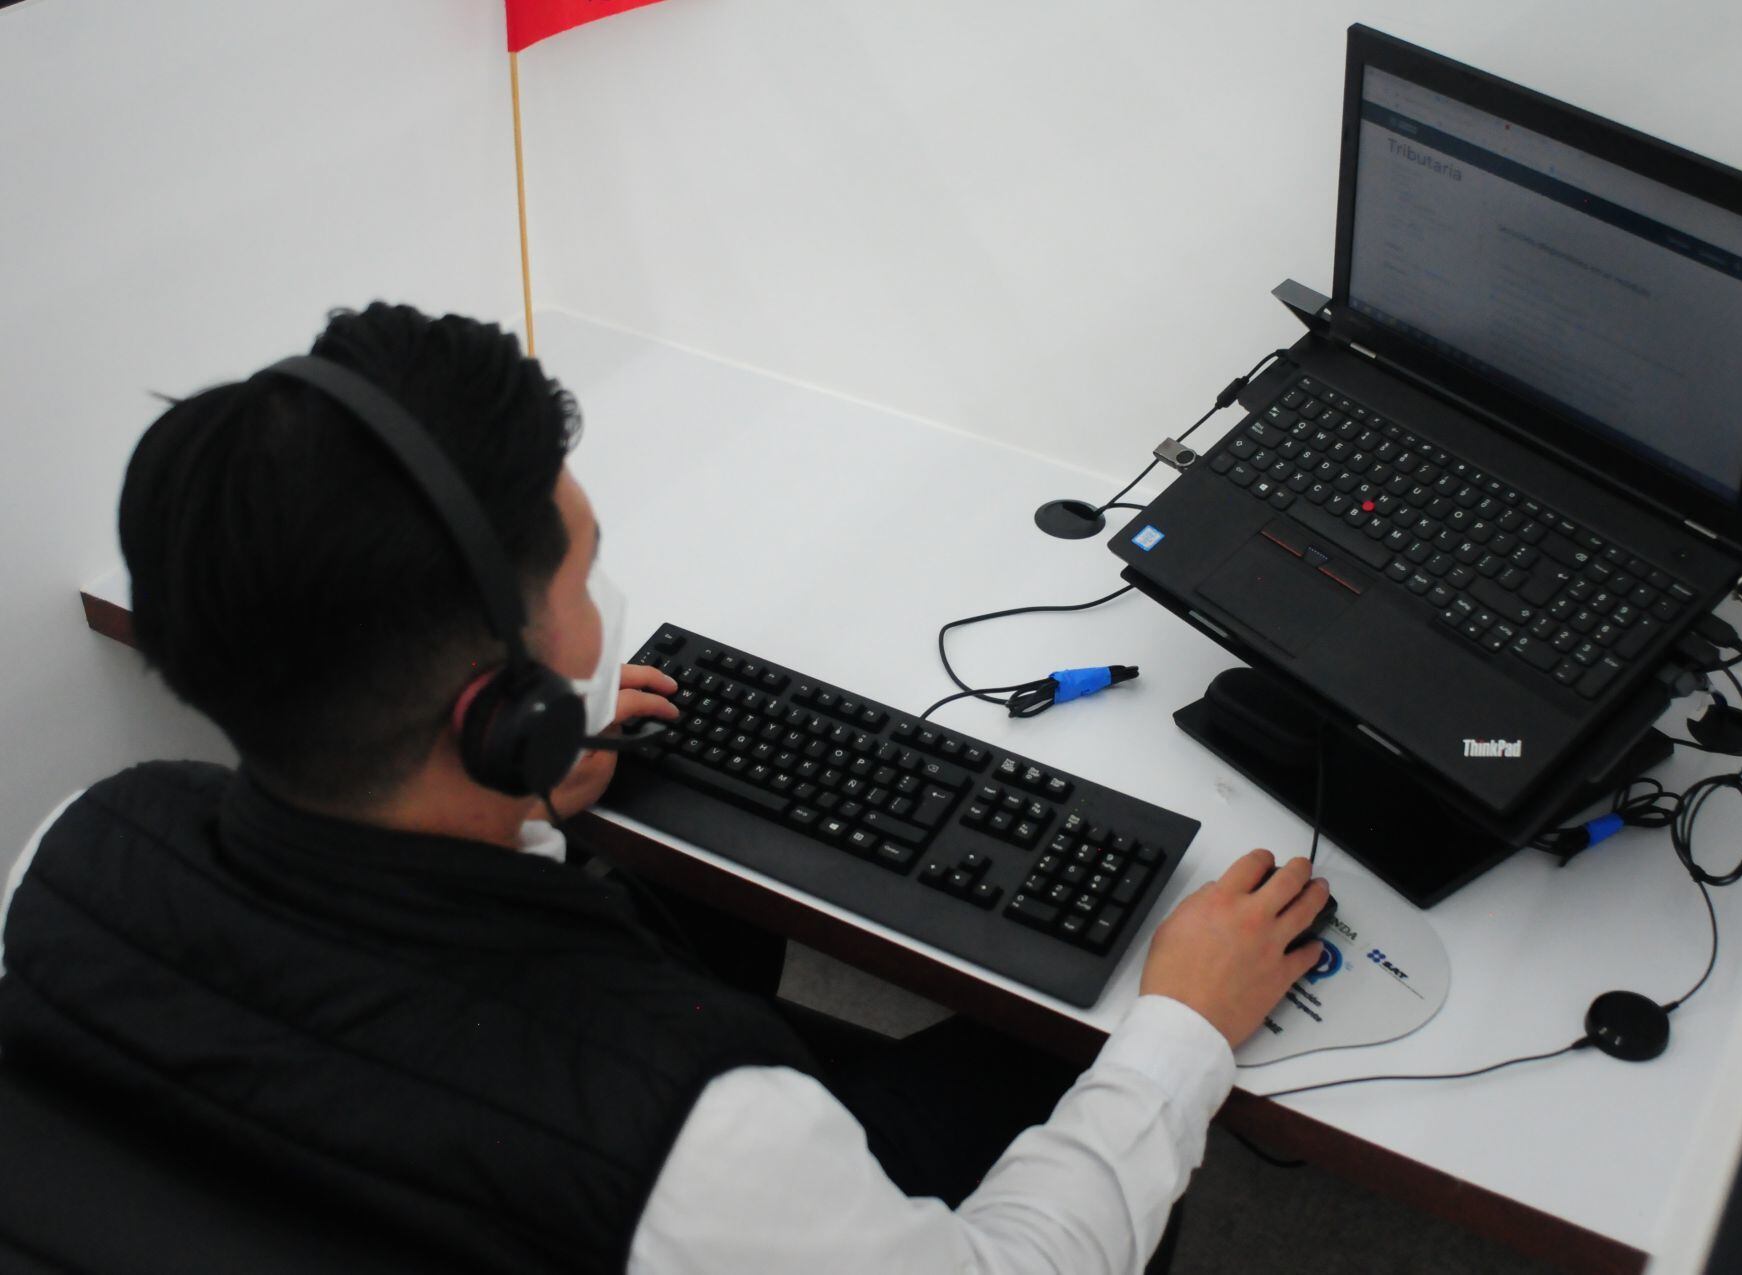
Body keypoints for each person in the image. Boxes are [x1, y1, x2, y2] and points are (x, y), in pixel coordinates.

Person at [0, 303, 1329, 1274]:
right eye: (583, 576)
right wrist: (1178, 1033)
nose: (605, 610)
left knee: (699, 915)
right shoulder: (697, 1131)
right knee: (1048, 1053)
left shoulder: (75, 854)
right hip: (636, 1189)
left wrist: (525, 802)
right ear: (501, 711)